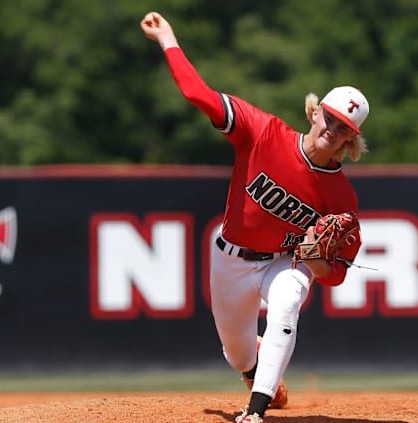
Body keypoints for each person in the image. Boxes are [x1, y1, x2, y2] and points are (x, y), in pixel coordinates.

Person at [140, 11, 370, 423]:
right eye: (330, 118)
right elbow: (199, 95)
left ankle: (256, 409)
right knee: (237, 353)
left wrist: (317, 261)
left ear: (351, 140)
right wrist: (168, 39)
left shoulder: (341, 196)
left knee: (288, 300)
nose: (332, 130)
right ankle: (254, 369)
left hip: (282, 262)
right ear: (314, 112)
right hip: (229, 260)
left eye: (344, 129)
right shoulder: (263, 132)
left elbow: (336, 274)